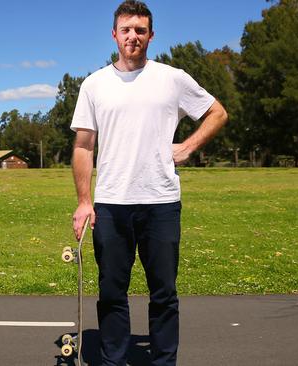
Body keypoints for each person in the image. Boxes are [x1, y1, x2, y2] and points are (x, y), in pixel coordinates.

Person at [70, 1, 228, 365]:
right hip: (111, 204)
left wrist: (188, 146)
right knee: (111, 293)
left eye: (140, 30)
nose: (133, 37)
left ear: (151, 36)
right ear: (114, 34)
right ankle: (112, 360)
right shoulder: (94, 85)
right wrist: (84, 201)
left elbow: (217, 112)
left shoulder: (172, 78)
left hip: (161, 202)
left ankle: (163, 362)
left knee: (164, 294)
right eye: (126, 29)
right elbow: (83, 146)